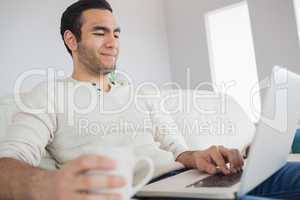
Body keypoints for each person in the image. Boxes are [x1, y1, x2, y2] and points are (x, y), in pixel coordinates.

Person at [0, 0, 298, 200]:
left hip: (192, 180)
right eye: (100, 32)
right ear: (71, 40)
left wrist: (200, 156)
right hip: (149, 192)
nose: (113, 42)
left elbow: (178, 150)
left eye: (116, 33)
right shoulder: (46, 94)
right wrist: (50, 185)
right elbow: (6, 166)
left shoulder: (138, 93)